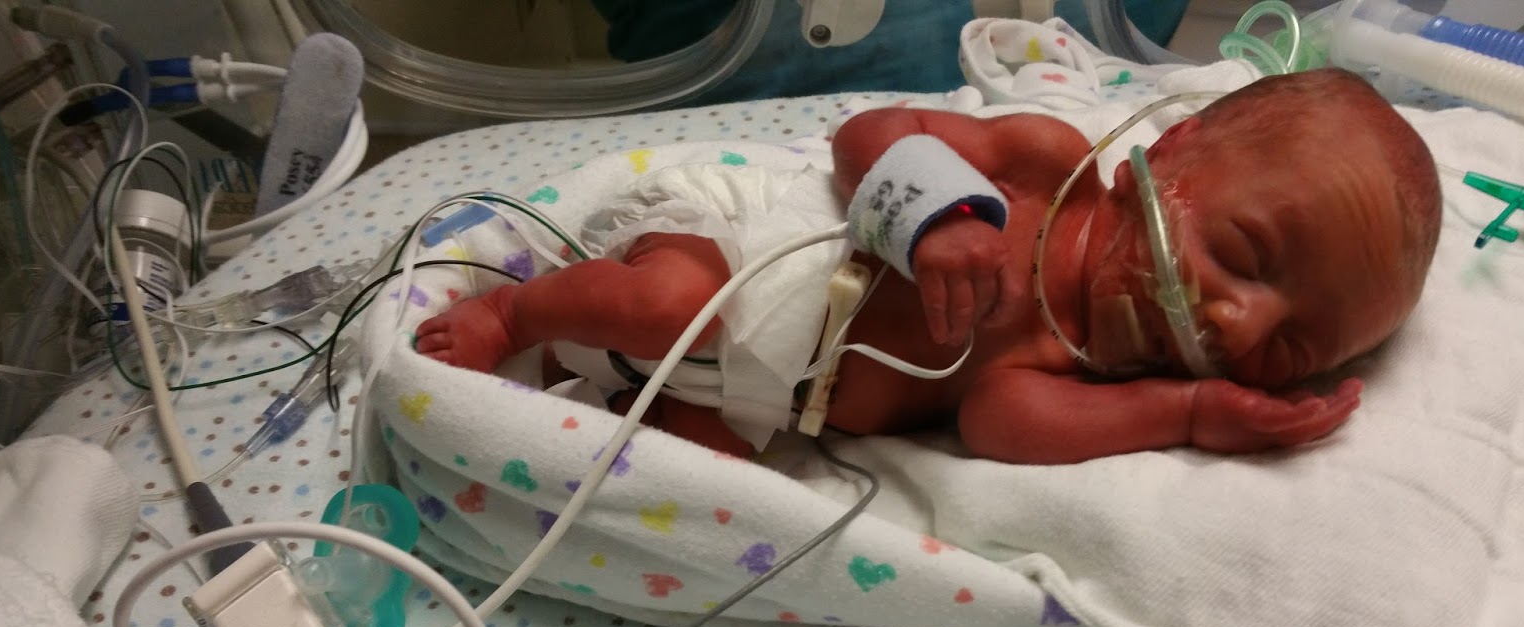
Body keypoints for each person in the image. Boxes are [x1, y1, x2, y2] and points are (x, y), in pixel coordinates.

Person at [414, 69, 1442, 464]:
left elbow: (996, 422)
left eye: (1288, 351)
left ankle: (600, 393)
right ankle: (518, 319)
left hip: (763, 402)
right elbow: (867, 134)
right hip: (740, 253)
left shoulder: (1088, 367)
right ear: (1166, 155)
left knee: (701, 480)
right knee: (669, 304)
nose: (1241, 324)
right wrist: (935, 213)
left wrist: (1186, 414)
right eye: (1246, 256)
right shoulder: (1045, 168)